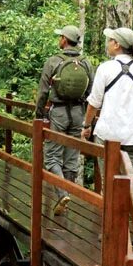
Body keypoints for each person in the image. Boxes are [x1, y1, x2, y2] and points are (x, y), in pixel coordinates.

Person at [35, 25, 94, 216]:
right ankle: (67, 196)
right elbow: (90, 92)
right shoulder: (86, 63)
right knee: (72, 157)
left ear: (65, 40)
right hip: (78, 112)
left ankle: (62, 194)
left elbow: (43, 92)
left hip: (58, 112)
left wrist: (39, 115)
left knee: (52, 156)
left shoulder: (53, 61)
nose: (59, 39)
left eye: (60, 37)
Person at [81, 27, 133, 174]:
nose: (107, 43)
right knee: (130, 182)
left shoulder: (105, 68)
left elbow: (94, 103)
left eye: (110, 40)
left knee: (107, 183)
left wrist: (87, 125)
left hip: (108, 135)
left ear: (117, 45)